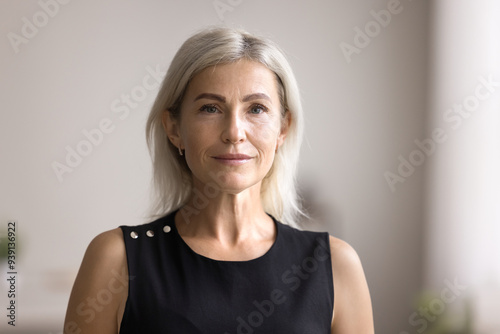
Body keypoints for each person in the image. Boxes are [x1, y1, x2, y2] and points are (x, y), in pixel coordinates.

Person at [64, 27, 374, 333]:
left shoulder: (336, 266)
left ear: (283, 128)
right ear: (173, 128)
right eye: (210, 108)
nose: (234, 132)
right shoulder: (115, 259)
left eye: (256, 108)